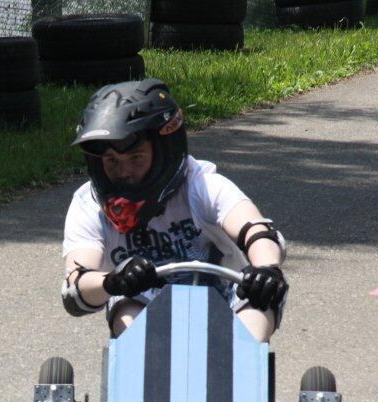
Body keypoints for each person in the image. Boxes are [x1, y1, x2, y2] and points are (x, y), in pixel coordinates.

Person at [60, 78, 288, 343]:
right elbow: (77, 285)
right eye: (111, 161)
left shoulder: (201, 184)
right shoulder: (89, 205)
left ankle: (241, 367)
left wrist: (267, 268)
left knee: (263, 297)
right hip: (144, 304)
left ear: (164, 151)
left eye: (136, 158)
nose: (123, 173)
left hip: (228, 300)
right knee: (126, 306)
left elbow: (256, 230)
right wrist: (112, 282)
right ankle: (144, 372)